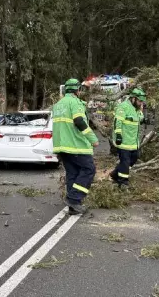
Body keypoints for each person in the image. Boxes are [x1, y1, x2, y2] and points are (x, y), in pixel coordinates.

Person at [52, 79, 99, 215]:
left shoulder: (58, 105)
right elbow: (79, 121)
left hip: (62, 146)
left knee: (72, 174)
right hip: (75, 145)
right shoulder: (74, 102)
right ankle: (74, 199)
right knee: (89, 169)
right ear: (77, 90)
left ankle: (73, 206)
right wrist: (93, 139)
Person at [110, 88, 147, 188]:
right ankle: (123, 183)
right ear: (133, 99)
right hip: (123, 140)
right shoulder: (123, 106)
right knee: (125, 162)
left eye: (142, 101)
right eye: (140, 101)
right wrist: (118, 135)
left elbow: (139, 118)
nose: (141, 103)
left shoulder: (138, 109)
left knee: (134, 158)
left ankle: (114, 174)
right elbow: (117, 121)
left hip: (134, 141)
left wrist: (143, 118)